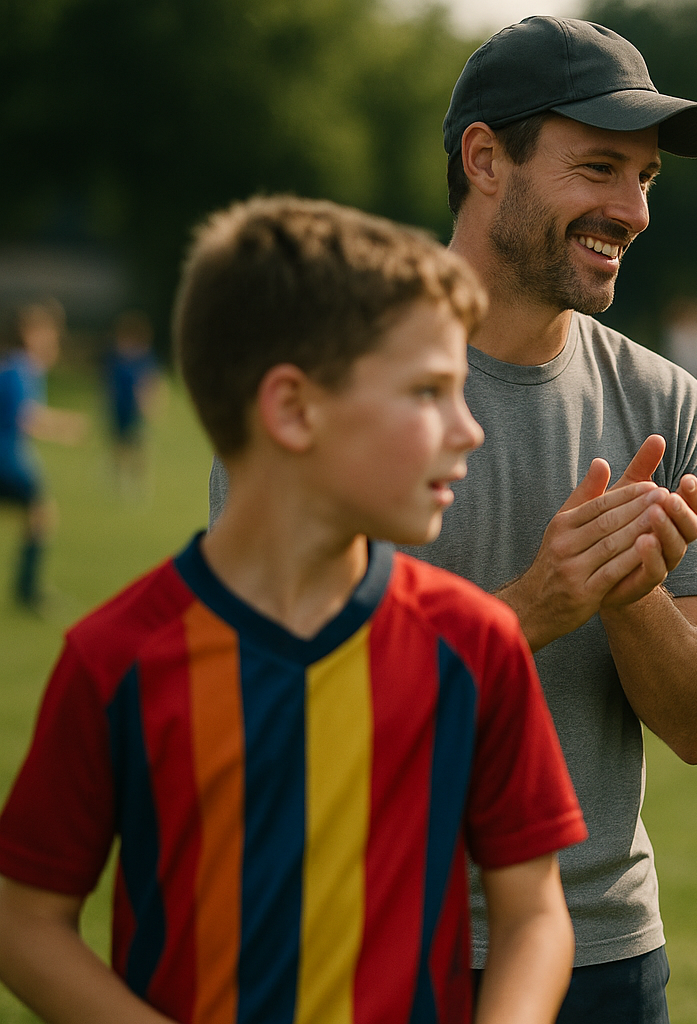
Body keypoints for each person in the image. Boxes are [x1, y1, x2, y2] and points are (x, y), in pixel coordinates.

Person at [211, 18, 697, 1022]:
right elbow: (278, 704)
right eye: (598, 167)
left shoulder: (667, 404)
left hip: (605, 957)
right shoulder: (317, 381)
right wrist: (538, 605)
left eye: (645, 179)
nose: (631, 209)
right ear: (485, 159)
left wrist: (633, 600)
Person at [0, 196, 589, 1024]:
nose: (469, 429)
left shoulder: (474, 644)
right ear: (293, 409)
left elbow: (533, 915)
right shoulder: (116, 659)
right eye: (429, 392)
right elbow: (24, 920)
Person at [0, 300, 85, 611]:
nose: (51, 342)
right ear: (29, 333)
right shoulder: (21, 367)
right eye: (46, 335)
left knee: (36, 516)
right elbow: (27, 418)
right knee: (41, 515)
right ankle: (27, 592)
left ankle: (27, 590)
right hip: (7, 459)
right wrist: (66, 427)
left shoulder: (14, 366)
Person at [102, 309, 164, 498]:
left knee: (138, 445)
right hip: (118, 408)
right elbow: (108, 383)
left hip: (135, 410)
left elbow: (151, 381)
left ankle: (139, 483)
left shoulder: (144, 358)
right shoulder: (115, 357)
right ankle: (120, 481)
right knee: (119, 446)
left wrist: (152, 404)